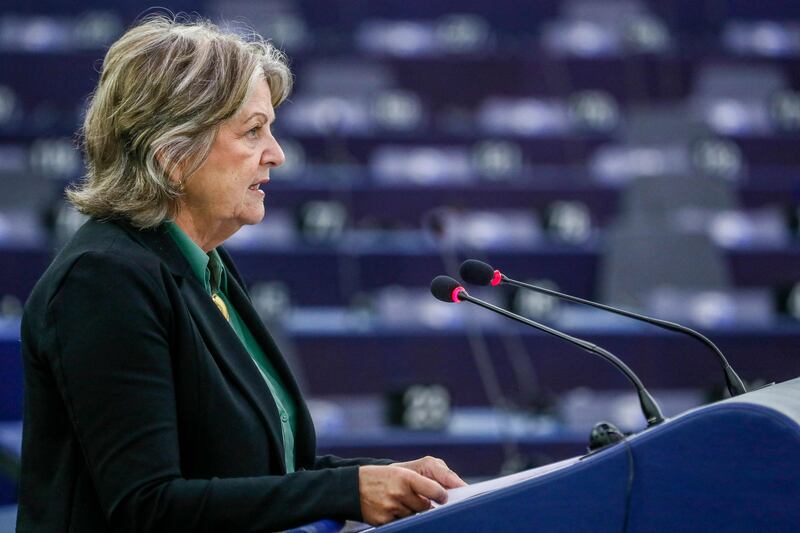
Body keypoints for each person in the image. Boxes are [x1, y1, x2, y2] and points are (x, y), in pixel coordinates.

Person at [17, 14, 465, 532]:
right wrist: (345, 490)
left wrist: (381, 478)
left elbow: (258, 475)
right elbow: (148, 506)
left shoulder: (205, 264)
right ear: (173, 156)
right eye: (253, 131)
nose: (276, 154)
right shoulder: (103, 279)